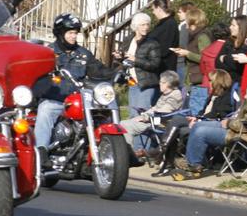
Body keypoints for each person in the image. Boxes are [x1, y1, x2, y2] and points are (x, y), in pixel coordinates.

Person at [33, 13, 113, 158]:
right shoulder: (48, 53)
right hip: (56, 100)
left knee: (103, 113)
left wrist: (117, 74)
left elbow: (99, 70)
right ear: (60, 34)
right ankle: (41, 151)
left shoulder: (83, 54)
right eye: (70, 33)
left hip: (79, 100)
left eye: (75, 33)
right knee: (45, 109)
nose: (73, 36)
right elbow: (37, 76)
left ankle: (112, 149)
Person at [154, 69, 234, 176]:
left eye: (211, 81)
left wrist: (199, 120)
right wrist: (195, 118)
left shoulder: (226, 97)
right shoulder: (212, 95)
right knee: (177, 119)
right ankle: (164, 154)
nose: (208, 83)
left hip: (210, 125)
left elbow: (220, 117)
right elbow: (203, 112)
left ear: (218, 82)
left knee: (177, 128)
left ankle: (164, 157)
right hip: (200, 121)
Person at [174, 77, 247, 180]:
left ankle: (193, 166)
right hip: (236, 128)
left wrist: (229, 123)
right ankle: (195, 162)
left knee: (200, 132)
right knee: (198, 125)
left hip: (243, 134)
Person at [118, 71, 183, 158]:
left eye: (161, 82)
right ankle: (127, 153)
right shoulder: (165, 94)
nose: (159, 84)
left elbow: (164, 111)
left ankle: (127, 155)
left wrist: (146, 118)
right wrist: (143, 115)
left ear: (168, 84)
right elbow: (155, 109)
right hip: (154, 121)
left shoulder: (175, 94)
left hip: (160, 124)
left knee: (124, 125)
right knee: (123, 123)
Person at [169, 7, 212, 114]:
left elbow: (205, 58)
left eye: (188, 23)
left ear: (194, 22)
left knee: (194, 112)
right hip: (192, 78)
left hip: (199, 80)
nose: (186, 26)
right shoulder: (194, 35)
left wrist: (187, 53)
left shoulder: (202, 36)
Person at [214, 14, 247, 89]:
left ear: (241, 28)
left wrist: (224, 58)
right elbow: (217, 63)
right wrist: (229, 61)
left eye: (233, 25)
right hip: (223, 85)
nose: (230, 27)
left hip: (237, 85)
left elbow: (238, 66)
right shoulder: (229, 42)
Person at [149, 0, 179, 75]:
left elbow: (164, 49)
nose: (153, 12)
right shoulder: (163, 23)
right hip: (159, 68)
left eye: (153, 9)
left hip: (165, 69)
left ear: (159, 8)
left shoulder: (169, 24)